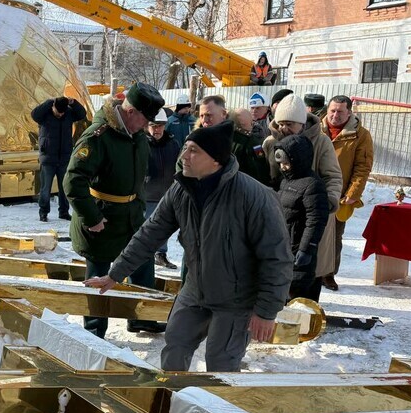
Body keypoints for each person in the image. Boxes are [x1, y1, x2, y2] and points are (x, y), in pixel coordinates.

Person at [84, 121, 293, 372]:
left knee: (221, 366)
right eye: (185, 148)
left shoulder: (254, 196)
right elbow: (149, 235)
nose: (184, 155)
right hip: (195, 291)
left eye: (194, 150)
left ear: (215, 159)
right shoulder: (181, 190)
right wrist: (115, 274)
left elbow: (277, 258)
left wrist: (267, 311)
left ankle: (216, 410)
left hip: (236, 299)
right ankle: (173, 404)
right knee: (174, 350)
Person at [64, 82, 166, 338]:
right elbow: (73, 180)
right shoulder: (99, 136)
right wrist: (92, 217)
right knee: (99, 276)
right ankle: (94, 330)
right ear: (130, 112)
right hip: (102, 222)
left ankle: (142, 318)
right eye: (145, 119)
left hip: (131, 217)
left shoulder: (136, 134)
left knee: (142, 264)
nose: (147, 126)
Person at [263, 94, 342, 301]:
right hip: (283, 214)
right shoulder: (271, 142)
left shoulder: (321, 141)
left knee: (309, 269)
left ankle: (309, 316)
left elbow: (332, 176)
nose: (283, 128)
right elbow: (266, 176)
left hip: (312, 214)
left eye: (289, 124)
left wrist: (329, 201)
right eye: (280, 123)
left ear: (301, 122)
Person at [320, 95, 374, 291]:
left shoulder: (361, 135)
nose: (335, 115)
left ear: (349, 112)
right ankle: (310, 272)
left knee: (334, 236)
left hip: (340, 195)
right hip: (314, 191)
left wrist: (353, 194)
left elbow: (362, 167)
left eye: (340, 111)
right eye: (332, 110)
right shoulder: (315, 128)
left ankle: (328, 274)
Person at [274, 135, 329, 299]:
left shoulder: (312, 184)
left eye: (286, 163)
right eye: (281, 164)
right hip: (284, 246)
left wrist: (307, 248)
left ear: (298, 160)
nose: (283, 168)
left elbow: (316, 220)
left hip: (299, 248)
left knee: (297, 291)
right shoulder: (286, 182)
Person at [31, 95, 88, 221]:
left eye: (62, 113)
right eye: (58, 112)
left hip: (64, 158)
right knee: (45, 189)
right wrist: (49, 101)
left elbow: (82, 114)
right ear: (53, 107)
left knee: (64, 188)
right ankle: (43, 212)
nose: (60, 115)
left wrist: (73, 103)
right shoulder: (44, 114)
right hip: (48, 158)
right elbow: (34, 114)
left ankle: (63, 212)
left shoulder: (68, 113)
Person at [144, 108, 181, 269]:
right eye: (153, 126)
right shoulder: (141, 143)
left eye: (160, 126)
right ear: (147, 126)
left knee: (163, 226)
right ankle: (143, 255)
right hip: (146, 194)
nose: (157, 129)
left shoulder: (172, 144)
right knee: (144, 227)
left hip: (166, 193)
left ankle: (161, 253)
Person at [230, 107, 272, 186]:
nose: (252, 126)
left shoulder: (223, 139)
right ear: (245, 123)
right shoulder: (254, 143)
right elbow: (260, 167)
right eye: (251, 123)